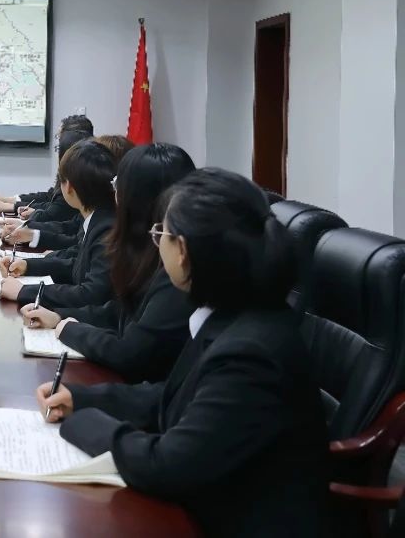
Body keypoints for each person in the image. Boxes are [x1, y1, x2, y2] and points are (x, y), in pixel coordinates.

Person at [37, 168, 328, 537]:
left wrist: (83, 424)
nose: (156, 243)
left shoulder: (250, 352)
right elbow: (177, 397)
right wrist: (83, 399)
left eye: (162, 233)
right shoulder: (232, 313)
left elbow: (167, 465)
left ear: (184, 250)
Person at [21, 143, 196, 382]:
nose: (113, 193)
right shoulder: (146, 247)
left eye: (117, 184)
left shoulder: (174, 269)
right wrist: (58, 316)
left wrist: (69, 329)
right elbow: (121, 312)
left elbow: (131, 352)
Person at [0, 139, 117, 307]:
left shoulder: (106, 229)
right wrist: (28, 266)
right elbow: (76, 265)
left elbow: (90, 294)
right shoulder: (98, 218)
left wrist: (25, 292)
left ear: (69, 187)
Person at [0, 127, 93, 246]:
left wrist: (14, 207)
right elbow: (67, 225)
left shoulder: (101, 222)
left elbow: (56, 216)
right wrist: (27, 228)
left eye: (58, 146)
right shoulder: (87, 213)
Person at [0, 113, 94, 214]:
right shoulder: (73, 169)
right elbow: (50, 196)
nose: (58, 144)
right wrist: (9, 200)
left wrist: (11, 207)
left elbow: (56, 211)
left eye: (59, 138)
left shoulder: (80, 175)